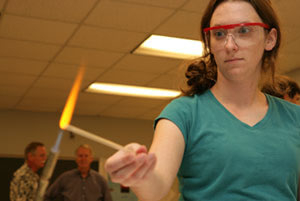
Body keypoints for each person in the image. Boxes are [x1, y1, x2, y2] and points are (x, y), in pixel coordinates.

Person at [104, 0, 300, 201]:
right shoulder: (183, 113)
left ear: (270, 38)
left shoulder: (294, 118)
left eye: (244, 30)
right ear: (209, 42)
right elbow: (156, 186)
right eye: (219, 34)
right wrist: (138, 175)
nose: (230, 45)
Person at [44, 144, 112, 201]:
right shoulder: (65, 178)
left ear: (91, 159)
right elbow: (47, 196)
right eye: (80, 156)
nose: (83, 159)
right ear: (76, 159)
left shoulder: (100, 180)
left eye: (86, 156)